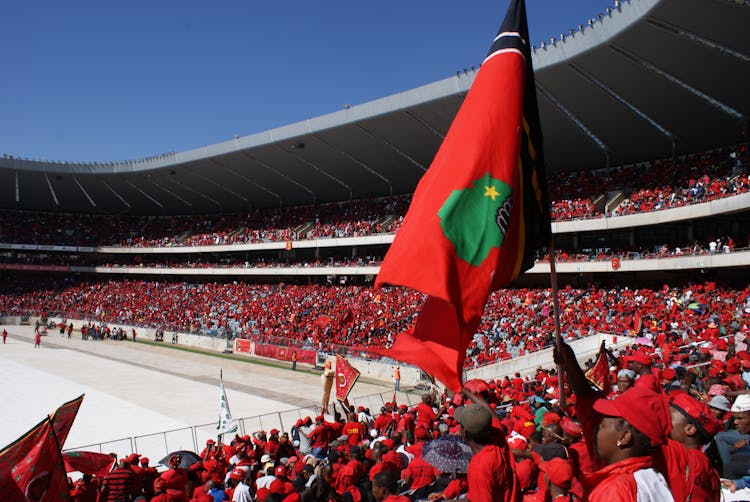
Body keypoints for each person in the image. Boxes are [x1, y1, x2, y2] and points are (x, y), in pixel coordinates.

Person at [555, 340, 673, 501]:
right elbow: (587, 402)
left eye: (603, 423)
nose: (596, 427)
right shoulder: (651, 476)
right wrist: (569, 363)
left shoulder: (615, 490)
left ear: (624, 437)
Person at [453, 403, 520, 502]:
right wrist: (463, 390)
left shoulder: (478, 468)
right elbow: (490, 411)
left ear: (465, 433)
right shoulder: (498, 437)